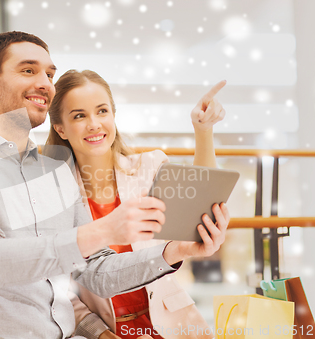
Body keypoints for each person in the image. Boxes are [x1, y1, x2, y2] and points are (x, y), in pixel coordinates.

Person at [0, 31, 230, 339]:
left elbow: (96, 271)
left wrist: (176, 250)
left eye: (49, 74)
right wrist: (104, 230)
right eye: (29, 70)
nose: (44, 82)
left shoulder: (53, 172)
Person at [46, 69, 227, 339]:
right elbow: (59, 291)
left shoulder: (149, 167)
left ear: (113, 116)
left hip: (172, 326)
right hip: (106, 332)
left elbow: (201, 207)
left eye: (102, 111)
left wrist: (203, 131)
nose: (94, 124)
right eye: (79, 116)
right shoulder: (52, 195)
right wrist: (102, 335)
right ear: (60, 127)